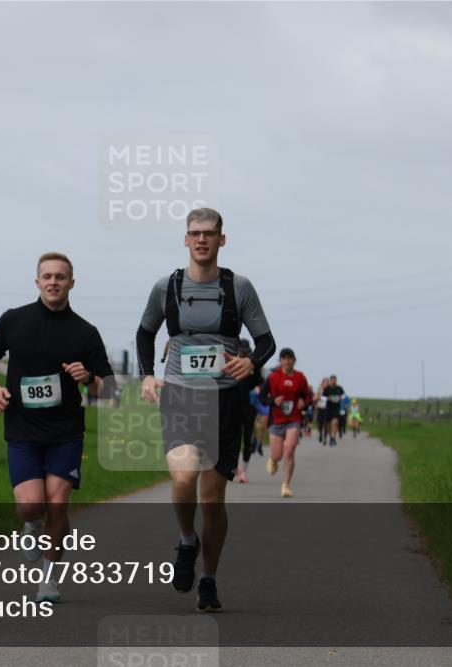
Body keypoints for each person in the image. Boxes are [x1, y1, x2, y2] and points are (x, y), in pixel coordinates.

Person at [136, 208, 275, 612]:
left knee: (213, 499)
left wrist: (251, 363)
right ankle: (186, 540)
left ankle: (209, 579)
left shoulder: (239, 287)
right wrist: (147, 375)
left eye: (209, 234)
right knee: (181, 479)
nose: (201, 240)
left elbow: (265, 340)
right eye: (194, 233)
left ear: (221, 240)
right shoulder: (167, 287)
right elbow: (145, 332)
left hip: (226, 399)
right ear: (185, 240)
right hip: (180, 393)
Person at [0, 252, 115, 604]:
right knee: (30, 506)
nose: (53, 282)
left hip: (65, 433)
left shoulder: (85, 332)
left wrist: (89, 380)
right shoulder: (14, 320)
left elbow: (109, 389)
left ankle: (49, 580)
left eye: (61, 276)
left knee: (58, 505)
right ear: (37, 281)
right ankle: (31, 524)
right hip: (23, 429)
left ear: (72, 283)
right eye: (47, 276)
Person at [262, 349, 312, 498]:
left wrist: (304, 403)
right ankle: (273, 459)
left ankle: (286, 485)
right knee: (277, 455)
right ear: (280, 361)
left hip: (294, 419)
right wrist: (273, 401)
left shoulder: (300, 377)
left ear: (294, 360)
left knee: (289, 450)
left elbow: (308, 397)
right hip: (276, 420)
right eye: (284, 358)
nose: (287, 361)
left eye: (290, 358)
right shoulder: (273, 377)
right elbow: (262, 397)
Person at [235, 339, 264, 483]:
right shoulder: (231, 363)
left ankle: (244, 471)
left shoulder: (254, 366)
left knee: (247, 438)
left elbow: (261, 382)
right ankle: (234, 467)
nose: (244, 354)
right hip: (233, 405)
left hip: (249, 406)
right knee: (232, 438)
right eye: (242, 351)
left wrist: (259, 388)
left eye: (246, 352)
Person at [322, 375, 346, 447]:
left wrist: (340, 397)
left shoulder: (339, 388)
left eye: (335, 380)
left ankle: (333, 437)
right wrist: (327, 398)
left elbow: (344, 396)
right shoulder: (327, 389)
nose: (334, 381)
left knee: (335, 423)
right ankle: (331, 436)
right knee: (328, 425)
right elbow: (322, 398)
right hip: (329, 408)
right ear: (330, 381)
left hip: (336, 408)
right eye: (332, 380)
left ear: (336, 380)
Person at [315, 377, 329, 444]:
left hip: (327, 409)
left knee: (326, 424)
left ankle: (325, 439)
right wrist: (319, 397)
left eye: (327, 382)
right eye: (325, 382)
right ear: (322, 383)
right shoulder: (319, 390)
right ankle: (320, 434)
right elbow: (315, 398)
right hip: (320, 408)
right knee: (320, 424)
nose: (326, 384)